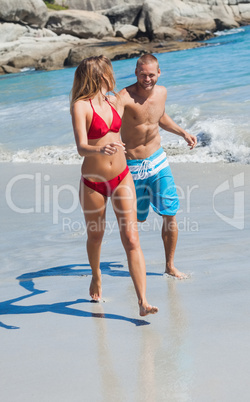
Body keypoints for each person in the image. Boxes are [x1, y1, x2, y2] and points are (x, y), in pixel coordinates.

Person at [70, 55, 158, 316]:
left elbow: (145, 102)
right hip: (93, 183)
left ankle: (143, 301)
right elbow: (80, 148)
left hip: (122, 176)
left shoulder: (115, 100)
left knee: (131, 238)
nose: (113, 76)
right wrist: (100, 147)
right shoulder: (80, 106)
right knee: (96, 235)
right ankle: (96, 275)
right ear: (99, 75)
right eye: (109, 72)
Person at [119, 54, 197, 279]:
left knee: (170, 214)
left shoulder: (162, 92)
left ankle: (170, 265)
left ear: (159, 73)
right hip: (132, 167)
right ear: (136, 73)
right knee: (136, 219)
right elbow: (108, 121)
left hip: (158, 161)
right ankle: (134, 261)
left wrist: (183, 133)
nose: (147, 79)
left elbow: (158, 117)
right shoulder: (123, 97)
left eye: (151, 75)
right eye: (142, 74)